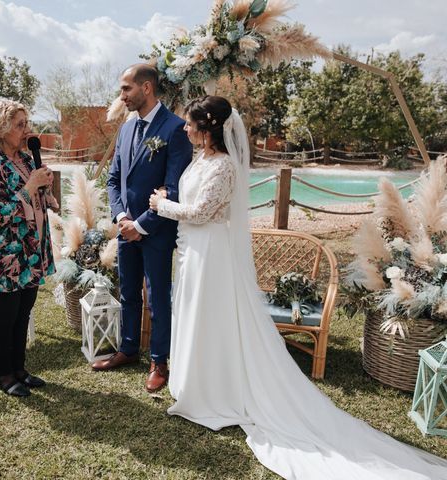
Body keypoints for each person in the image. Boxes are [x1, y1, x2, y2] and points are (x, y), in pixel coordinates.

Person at [148, 95, 447, 479]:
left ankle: (214, 391)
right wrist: (173, 199)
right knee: (193, 314)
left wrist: (161, 205)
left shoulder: (224, 166)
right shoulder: (200, 160)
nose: (185, 129)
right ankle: (194, 383)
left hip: (212, 255)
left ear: (207, 129)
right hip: (193, 251)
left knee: (211, 317)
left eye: (190, 124)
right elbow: (197, 204)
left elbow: (205, 213)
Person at [93, 64, 193, 393]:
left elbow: (174, 190)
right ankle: (128, 348)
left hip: (156, 232)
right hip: (125, 230)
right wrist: (122, 219)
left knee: (159, 296)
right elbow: (113, 180)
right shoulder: (125, 128)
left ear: (146, 88)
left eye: (126, 89)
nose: (121, 96)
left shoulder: (176, 129)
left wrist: (141, 225)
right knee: (129, 291)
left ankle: (159, 359)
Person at [0, 98, 58, 398]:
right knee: (4, 316)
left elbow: (33, 197)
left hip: (30, 250)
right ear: (1, 127)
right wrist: (30, 187)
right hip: (3, 252)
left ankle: (19, 368)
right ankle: (2, 373)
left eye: (26, 123)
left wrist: (45, 192)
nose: (26, 130)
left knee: (23, 312)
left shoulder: (25, 158)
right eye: (19, 125)